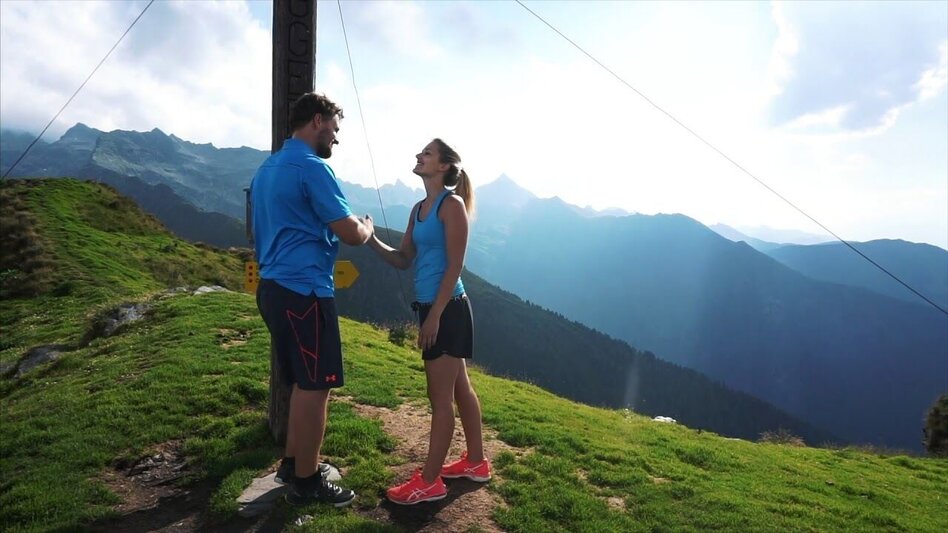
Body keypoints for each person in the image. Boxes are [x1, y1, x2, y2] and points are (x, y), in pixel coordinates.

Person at [250, 92, 374, 507]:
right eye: (334, 130)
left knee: (301, 383)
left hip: (272, 288)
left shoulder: (268, 168)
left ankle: (292, 463)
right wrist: (368, 225)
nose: (335, 140)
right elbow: (351, 233)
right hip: (305, 290)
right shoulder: (312, 168)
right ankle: (307, 481)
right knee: (315, 387)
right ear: (317, 120)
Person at [367, 138, 491, 505]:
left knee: (440, 400)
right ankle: (476, 462)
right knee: (460, 390)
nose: (418, 156)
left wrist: (434, 317)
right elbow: (404, 258)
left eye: (427, 154)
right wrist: (369, 237)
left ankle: (430, 481)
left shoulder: (451, 205)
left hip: (448, 309)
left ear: (442, 167)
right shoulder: (419, 208)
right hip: (436, 309)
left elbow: (455, 265)